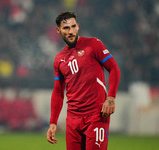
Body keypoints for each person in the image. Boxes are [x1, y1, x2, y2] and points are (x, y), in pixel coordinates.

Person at [47, 11, 120, 150]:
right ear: (58, 30)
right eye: (66, 28)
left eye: (73, 26)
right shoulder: (59, 59)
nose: (71, 31)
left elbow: (114, 69)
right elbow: (58, 92)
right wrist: (53, 122)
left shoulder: (93, 44)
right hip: (73, 120)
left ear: (78, 26)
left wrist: (111, 98)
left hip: (96, 116)